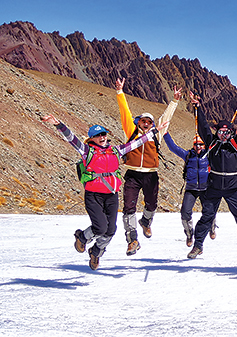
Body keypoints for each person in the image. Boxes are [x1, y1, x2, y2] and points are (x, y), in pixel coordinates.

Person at [43, 114, 167, 269]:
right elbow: (71, 139)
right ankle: (82, 237)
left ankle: (96, 252)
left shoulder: (116, 150)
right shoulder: (87, 151)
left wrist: (154, 131)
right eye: (97, 136)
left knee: (111, 229)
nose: (101, 137)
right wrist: (58, 124)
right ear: (91, 139)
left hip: (111, 196)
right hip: (94, 195)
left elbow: (136, 143)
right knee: (100, 227)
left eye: (103, 134)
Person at [187, 91, 237, 259]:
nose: (223, 135)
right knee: (207, 216)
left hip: (233, 187)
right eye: (221, 132)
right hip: (214, 186)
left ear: (231, 133)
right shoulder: (211, 142)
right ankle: (198, 246)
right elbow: (203, 126)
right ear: (217, 132)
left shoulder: (236, 143)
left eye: (226, 132)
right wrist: (197, 107)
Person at [115, 78, 179, 256]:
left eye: (149, 122)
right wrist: (120, 92)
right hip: (133, 175)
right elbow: (125, 112)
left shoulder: (156, 135)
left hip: (151, 175)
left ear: (152, 124)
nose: (146, 123)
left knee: (151, 205)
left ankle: (146, 222)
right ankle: (132, 240)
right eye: (143, 120)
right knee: (129, 207)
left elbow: (165, 118)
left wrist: (174, 101)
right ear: (138, 122)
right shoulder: (131, 132)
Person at [163, 132, 217, 247]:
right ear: (193, 145)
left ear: (204, 145)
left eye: (201, 144)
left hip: (205, 188)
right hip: (191, 188)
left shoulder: (209, 155)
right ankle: (189, 233)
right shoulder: (188, 155)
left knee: (209, 211)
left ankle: (211, 227)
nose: (198, 147)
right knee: (185, 213)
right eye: (196, 144)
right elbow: (173, 147)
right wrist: (166, 134)